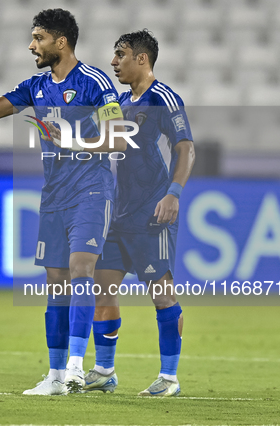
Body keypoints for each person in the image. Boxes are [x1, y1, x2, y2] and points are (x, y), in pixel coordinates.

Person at [0, 8, 126, 395]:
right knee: (55, 281)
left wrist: (70, 140)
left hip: (91, 190)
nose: (31, 45)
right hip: (54, 197)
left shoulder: (95, 82)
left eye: (38, 38)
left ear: (61, 42)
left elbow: (118, 139)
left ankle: (77, 367)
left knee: (80, 269)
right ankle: (56, 376)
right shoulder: (34, 87)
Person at [88, 29, 195, 396]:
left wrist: (174, 194)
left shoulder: (164, 98)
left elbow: (185, 149)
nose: (113, 62)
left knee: (161, 294)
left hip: (152, 215)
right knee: (102, 291)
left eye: (120, 55)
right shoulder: (118, 101)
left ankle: (169, 378)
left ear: (141, 59)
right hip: (116, 215)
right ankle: (104, 371)